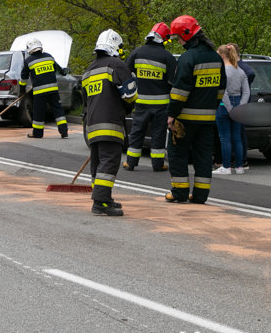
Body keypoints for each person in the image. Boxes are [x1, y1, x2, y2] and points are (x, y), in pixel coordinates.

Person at [164, 16, 225, 205]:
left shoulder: (188, 58)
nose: (179, 42)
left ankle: (180, 193)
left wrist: (172, 114)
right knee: (204, 156)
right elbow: (221, 88)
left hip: (184, 118)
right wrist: (211, 106)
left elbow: (180, 91)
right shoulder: (215, 57)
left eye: (179, 38)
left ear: (187, 34)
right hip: (207, 119)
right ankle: (200, 196)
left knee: (176, 154)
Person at [81, 30, 138, 216]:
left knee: (98, 164)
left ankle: (104, 197)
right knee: (109, 162)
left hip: (91, 125)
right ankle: (100, 202)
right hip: (111, 123)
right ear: (115, 46)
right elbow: (130, 95)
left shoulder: (88, 71)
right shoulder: (116, 65)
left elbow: (85, 103)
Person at [123, 22, 177, 172]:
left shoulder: (136, 53)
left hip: (140, 102)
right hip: (161, 104)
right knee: (158, 133)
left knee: (137, 131)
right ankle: (158, 164)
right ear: (163, 39)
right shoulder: (168, 57)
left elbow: (126, 74)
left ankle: (131, 162)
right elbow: (173, 81)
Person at [18, 38, 69, 139]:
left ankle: (37, 133)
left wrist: (22, 90)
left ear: (30, 49)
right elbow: (54, 71)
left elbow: (23, 77)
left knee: (39, 112)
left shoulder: (29, 61)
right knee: (58, 110)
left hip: (40, 91)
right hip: (53, 90)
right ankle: (64, 131)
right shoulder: (49, 57)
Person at [214, 44, 250, 174]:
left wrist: (229, 109)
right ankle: (239, 166)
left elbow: (222, 92)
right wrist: (240, 106)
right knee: (237, 137)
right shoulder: (240, 71)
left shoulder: (222, 71)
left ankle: (226, 166)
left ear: (222, 55)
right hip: (238, 101)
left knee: (224, 138)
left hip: (224, 105)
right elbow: (246, 91)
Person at [228, 43, 255, 169]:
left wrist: (243, 84)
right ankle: (239, 158)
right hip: (239, 100)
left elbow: (251, 74)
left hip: (240, 101)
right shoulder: (234, 66)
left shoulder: (242, 66)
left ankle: (242, 159)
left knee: (239, 132)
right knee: (237, 131)